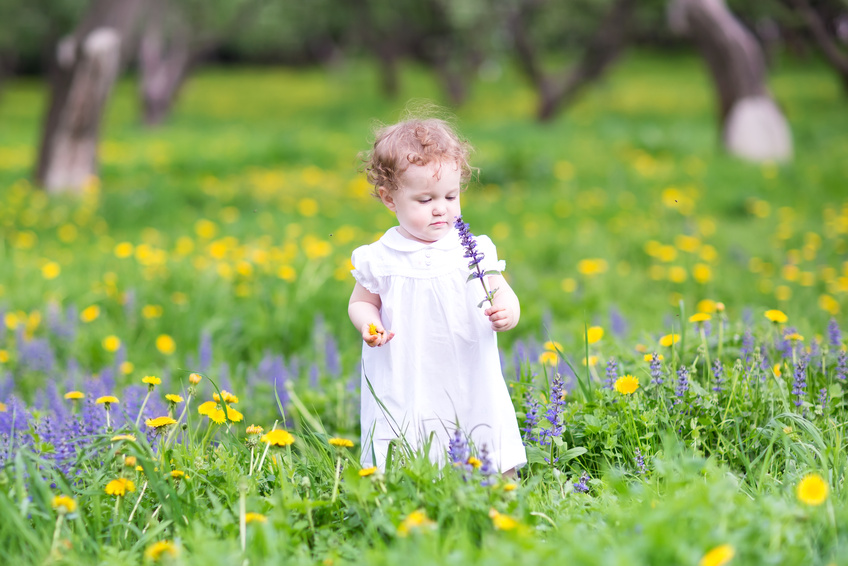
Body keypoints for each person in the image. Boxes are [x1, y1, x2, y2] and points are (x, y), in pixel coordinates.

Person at [348, 116, 526, 474]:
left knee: (480, 414)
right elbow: (362, 302)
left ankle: (499, 487)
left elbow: (499, 289)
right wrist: (370, 326)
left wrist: (508, 311)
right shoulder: (380, 256)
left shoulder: (472, 248)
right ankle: (404, 486)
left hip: (466, 363)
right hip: (405, 368)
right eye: (425, 199)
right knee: (404, 423)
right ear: (389, 198)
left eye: (450, 196)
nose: (441, 208)